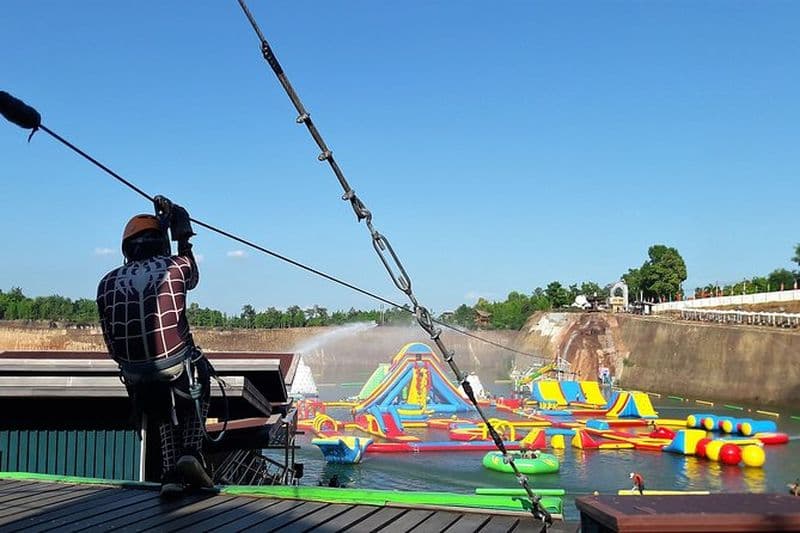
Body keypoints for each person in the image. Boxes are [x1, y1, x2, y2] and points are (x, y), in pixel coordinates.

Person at [96, 196, 212, 497]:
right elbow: (192, 276)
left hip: (135, 374)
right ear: (161, 243)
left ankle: (170, 473)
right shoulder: (175, 266)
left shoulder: (105, 282)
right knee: (201, 371)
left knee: (158, 408)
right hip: (176, 365)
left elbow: (111, 340)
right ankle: (192, 451)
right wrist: (182, 234)